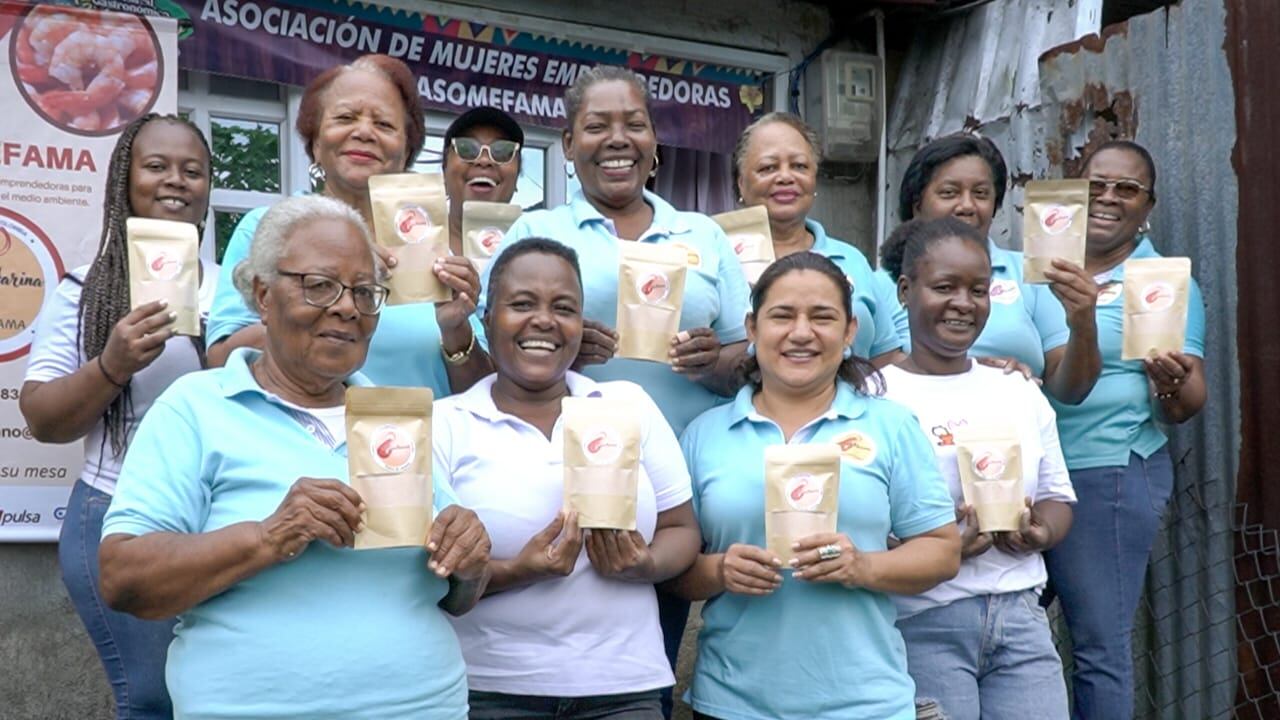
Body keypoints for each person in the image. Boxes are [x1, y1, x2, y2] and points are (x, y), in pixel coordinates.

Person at [96, 195, 491, 720]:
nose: (347, 308)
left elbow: (455, 596)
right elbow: (123, 578)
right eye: (320, 285)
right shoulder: (196, 408)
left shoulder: (394, 415)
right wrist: (268, 537)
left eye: (365, 292)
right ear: (263, 295)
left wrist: (470, 563)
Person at [486, 66, 752, 703]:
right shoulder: (536, 233)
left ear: (655, 141)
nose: (617, 139)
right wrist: (563, 347)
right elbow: (495, 341)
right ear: (568, 143)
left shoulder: (703, 233)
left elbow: (746, 355)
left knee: (649, 670)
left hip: (678, 491)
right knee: (554, 655)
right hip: (564, 489)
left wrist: (714, 358)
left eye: (634, 124)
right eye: (596, 125)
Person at [667, 252, 961, 720]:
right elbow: (673, 571)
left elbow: (942, 551)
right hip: (733, 701)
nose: (801, 332)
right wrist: (720, 571)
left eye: (822, 317)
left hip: (865, 704)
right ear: (751, 328)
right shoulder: (705, 435)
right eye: (782, 316)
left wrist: (863, 566)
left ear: (849, 332)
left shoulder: (891, 426)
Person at [436, 238, 699, 719]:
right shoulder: (445, 424)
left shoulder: (628, 405)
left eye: (564, 308)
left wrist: (645, 564)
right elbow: (429, 579)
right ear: (487, 320)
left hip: (625, 690)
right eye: (522, 304)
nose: (544, 320)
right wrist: (521, 570)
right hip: (489, 691)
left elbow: (681, 529)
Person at [19, 113, 213, 719]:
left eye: (192, 170)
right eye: (156, 166)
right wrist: (112, 365)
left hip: (220, 516)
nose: (175, 180)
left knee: (214, 693)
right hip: (118, 512)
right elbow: (43, 420)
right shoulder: (87, 290)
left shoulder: (233, 290)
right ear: (125, 179)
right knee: (155, 698)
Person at [878, 217, 1074, 720]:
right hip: (921, 620)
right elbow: (858, 524)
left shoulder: (1018, 390)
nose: (963, 303)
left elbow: (1057, 496)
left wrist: (1040, 532)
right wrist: (937, 549)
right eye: (944, 287)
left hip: (1021, 617)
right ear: (905, 291)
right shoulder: (873, 400)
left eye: (978, 290)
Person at [205, 54, 491, 396]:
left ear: (406, 152)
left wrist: (456, 330)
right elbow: (220, 361)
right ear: (315, 142)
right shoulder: (267, 228)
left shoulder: (432, 245)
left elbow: (483, 393)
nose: (364, 132)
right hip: (292, 427)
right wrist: (323, 293)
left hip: (420, 431)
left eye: (384, 124)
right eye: (345, 118)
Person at [1043, 140, 1207, 720]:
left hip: (1105, 471)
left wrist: (1169, 382)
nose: (1109, 197)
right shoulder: (1035, 266)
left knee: (1098, 647)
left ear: (1148, 206)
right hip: (1023, 473)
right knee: (1009, 634)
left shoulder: (1157, 281)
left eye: (1127, 189)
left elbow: (1187, 402)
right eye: (1097, 185)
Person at [897, 134, 1101, 403]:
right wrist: (966, 370)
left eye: (981, 194)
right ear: (916, 205)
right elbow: (869, 375)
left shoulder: (1033, 274)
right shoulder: (884, 282)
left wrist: (1084, 323)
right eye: (949, 193)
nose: (967, 206)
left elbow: (1071, 392)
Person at [731, 111, 904, 366]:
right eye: (768, 168)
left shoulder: (850, 259)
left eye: (799, 166)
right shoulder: (717, 254)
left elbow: (885, 357)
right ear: (741, 183)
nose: (785, 177)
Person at [441, 106, 524, 255]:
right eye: (466, 148)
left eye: (502, 151)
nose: (484, 160)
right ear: (444, 170)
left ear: (517, 175)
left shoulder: (533, 251)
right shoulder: (414, 243)